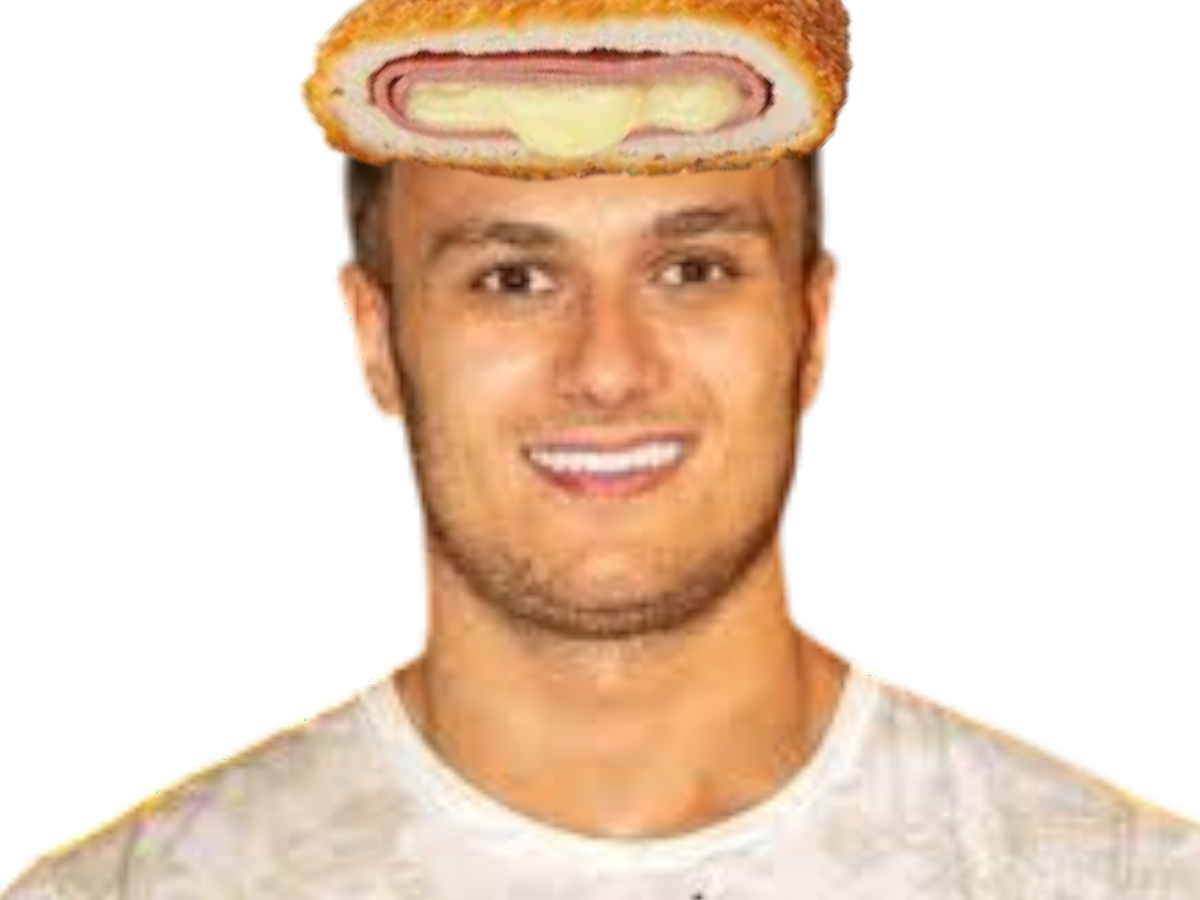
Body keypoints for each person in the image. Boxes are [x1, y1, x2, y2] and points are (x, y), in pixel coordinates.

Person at [4, 154, 1196, 900]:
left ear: (816, 325)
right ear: (373, 339)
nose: (610, 368)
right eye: (513, 278)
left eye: (693, 268)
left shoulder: (1124, 878)